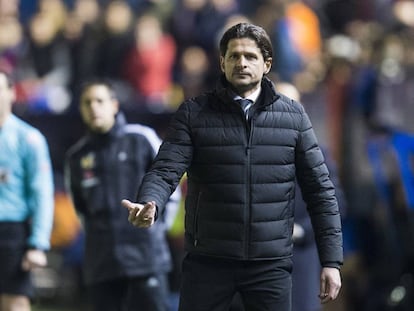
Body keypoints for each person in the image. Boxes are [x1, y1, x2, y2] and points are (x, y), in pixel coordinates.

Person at [122, 23, 343, 311]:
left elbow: (320, 191)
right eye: (234, 56)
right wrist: (149, 200)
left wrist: (331, 261)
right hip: (208, 262)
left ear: (267, 64)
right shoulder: (193, 113)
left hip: (270, 265)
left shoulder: (293, 116)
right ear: (222, 63)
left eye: (250, 56)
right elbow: (165, 170)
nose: (242, 63)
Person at [64, 80, 180, 311]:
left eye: (99, 101)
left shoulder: (140, 138)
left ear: (114, 105)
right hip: (101, 263)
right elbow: (80, 209)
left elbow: (170, 184)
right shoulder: (77, 156)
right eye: (87, 103)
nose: (93, 107)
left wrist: (157, 229)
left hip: (145, 258)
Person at [0, 70, 54, 311]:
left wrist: (38, 244)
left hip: (11, 233)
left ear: (11, 93)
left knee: (15, 303)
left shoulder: (28, 138)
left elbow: (42, 194)